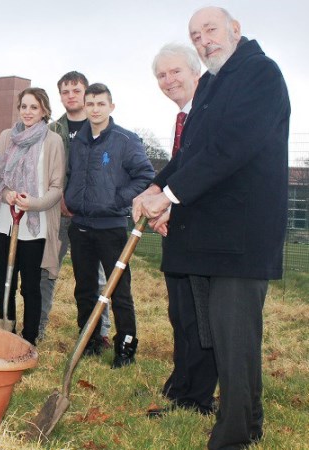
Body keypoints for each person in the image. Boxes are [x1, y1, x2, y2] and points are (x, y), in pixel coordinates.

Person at [133, 7, 290, 449]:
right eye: (195, 34)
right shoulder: (217, 84)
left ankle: (237, 433)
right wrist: (155, 188)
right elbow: (191, 153)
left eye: (210, 30)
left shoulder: (260, 74)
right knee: (214, 333)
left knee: (235, 338)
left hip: (241, 235)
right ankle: (223, 410)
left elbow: (232, 146)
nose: (203, 40)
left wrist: (171, 194)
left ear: (235, 31)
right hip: (210, 235)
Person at [145, 43, 218, 418]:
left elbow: (204, 166)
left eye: (175, 72)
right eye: (161, 75)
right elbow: (179, 165)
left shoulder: (207, 114)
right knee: (180, 314)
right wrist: (155, 192)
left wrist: (165, 197)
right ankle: (182, 385)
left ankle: (198, 399)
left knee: (199, 319)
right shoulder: (184, 118)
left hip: (203, 233)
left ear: (196, 73)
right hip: (179, 232)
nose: (168, 80)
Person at [64, 83, 154, 368]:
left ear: (110, 107)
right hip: (80, 225)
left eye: (100, 103)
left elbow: (145, 175)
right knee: (85, 287)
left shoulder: (124, 140)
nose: (94, 109)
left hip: (111, 226)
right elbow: (71, 174)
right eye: (90, 103)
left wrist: (118, 199)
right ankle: (88, 340)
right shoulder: (78, 141)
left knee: (119, 290)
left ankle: (125, 346)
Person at [0, 88, 64, 345]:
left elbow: (56, 187)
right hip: (5, 222)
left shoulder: (52, 141)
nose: (28, 112)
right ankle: (5, 331)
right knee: (3, 281)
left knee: (30, 285)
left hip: (33, 225)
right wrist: (6, 193)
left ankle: (28, 339)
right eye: (24, 106)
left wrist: (34, 203)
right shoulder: (7, 136)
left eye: (34, 107)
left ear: (44, 111)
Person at [41, 71, 109, 343]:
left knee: (96, 276)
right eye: (65, 91)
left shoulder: (100, 128)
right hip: (58, 214)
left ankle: (99, 331)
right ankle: (39, 327)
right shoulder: (52, 129)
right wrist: (59, 198)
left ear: (86, 93)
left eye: (76, 90)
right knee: (46, 271)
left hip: (91, 215)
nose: (70, 96)